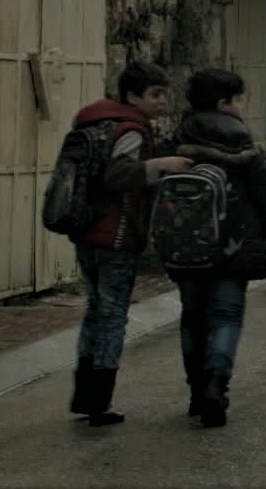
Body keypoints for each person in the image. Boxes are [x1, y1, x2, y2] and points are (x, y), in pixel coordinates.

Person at [165, 69, 266, 428]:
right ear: (224, 103)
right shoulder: (241, 141)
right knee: (225, 315)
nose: (242, 106)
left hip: (186, 247)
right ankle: (215, 382)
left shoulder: (176, 138)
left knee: (192, 316)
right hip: (233, 246)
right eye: (239, 99)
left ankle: (196, 391)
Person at [69, 61, 191, 427]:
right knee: (111, 316)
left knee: (95, 310)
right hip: (116, 235)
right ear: (132, 96)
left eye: (164, 94)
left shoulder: (96, 122)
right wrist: (161, 165)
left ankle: (84, 395)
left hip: (88, 231)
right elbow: (118, 175)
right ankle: (99, 401)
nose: (162, 101)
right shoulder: (131, 129)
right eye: (155, 94)